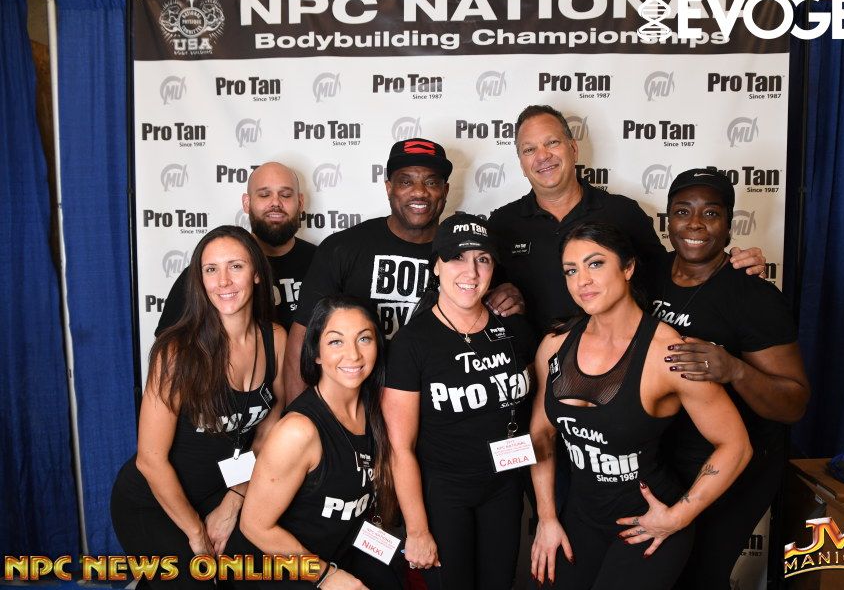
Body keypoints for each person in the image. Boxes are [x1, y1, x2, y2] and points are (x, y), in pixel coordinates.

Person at [529, 222, 752, 589]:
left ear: (628, 268)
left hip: (647, 524)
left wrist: (679, 516)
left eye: (596, 263)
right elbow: (541, 434)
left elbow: (736, 445)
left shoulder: (668, 354)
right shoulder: (554, 346)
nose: (582, 280)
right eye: (571, 270)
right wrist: (547, 518)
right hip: (579, 519)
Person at [649, 168, 810, 589]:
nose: (695, 224)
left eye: (711, 213)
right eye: (682, 211)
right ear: (667, 219)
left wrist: (735, 369)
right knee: (663, 571)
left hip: (737, 465)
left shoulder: (753, 296)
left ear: (728, 223)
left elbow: (794, 403)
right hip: (667, 454)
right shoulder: (648, 274)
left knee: (700, 574)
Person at [111, 225, 286, 588]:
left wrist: (234, 499)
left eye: (235, 266)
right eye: (211, 269)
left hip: (221, 493)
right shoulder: (176, 352)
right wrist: (196, 533)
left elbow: (271, 426)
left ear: (256, 273)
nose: (223, 281)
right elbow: (150, 459)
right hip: (154, 502)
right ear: (200, 280)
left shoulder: (276, 339)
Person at [489, 104, 766, 334]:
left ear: (573, 149)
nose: (542, 156)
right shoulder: (502, 224)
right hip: (530, 363)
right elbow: (481, 291)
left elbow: (670, 278)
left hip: (617, 365)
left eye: (552, 142)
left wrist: (728, 267)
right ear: (521, 163)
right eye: (529, 149)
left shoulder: (623, 213)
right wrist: (499, 295)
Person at [284, 139, 524, 401]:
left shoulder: (468, 255)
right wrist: (298, 413)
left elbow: (498, 315)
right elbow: (302, 339)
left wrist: (510, 300)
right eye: (406, 182)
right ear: (389, 188)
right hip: (358, 405)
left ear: (445, 190)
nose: (419, 192)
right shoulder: (342, 248)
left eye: (431, 182)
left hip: (441, 404)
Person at [382, 213, 538, 590]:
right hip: (444, 495)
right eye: (457, 257)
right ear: (436, 266)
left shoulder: (514, 328)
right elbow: (400, 448)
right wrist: (417, 530)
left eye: (482, 259)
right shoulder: (412, 343)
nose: (471, 271)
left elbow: (541, 410)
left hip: (504, 487)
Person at [226, 295, 401, 589]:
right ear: (316, 353)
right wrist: (325, 576)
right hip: (276, 569)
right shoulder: (298, 431)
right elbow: (254, 527)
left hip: (337, 552)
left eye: (364, 339)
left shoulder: (374, 410)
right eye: (336, 342)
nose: (353, 354)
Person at [156, 161, 316, 333]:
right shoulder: (209, 270)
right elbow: (167, 342)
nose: (275, 203)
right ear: (247, 203)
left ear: (300, 202)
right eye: (264, 195)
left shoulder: (321, 261)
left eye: (285, 195)